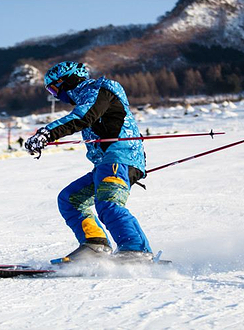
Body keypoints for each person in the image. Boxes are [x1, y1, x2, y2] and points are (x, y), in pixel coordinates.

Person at [25, 61, 152, 263]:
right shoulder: (87, 96)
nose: (55, 95)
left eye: (54, 88)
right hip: (105, 163)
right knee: (69, 199)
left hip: (121, 158)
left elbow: (83, 117)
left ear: (67, 80)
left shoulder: (100, 90)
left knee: (108, 203)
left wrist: (47, 133)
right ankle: (96, 245)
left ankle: (136, 250)